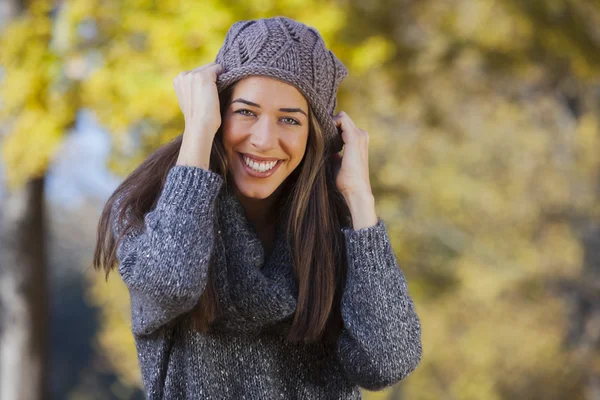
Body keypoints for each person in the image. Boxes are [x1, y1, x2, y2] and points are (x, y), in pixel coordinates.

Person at [93, 16, 422, 399]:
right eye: (246, 112)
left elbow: (388, 362)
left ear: (313, 134)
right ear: (218, 111)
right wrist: (197, 130)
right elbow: (169, 282)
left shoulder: (336, 231)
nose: (264, 140)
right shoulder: (150, 208)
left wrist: (361, 200)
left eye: (289, 120)